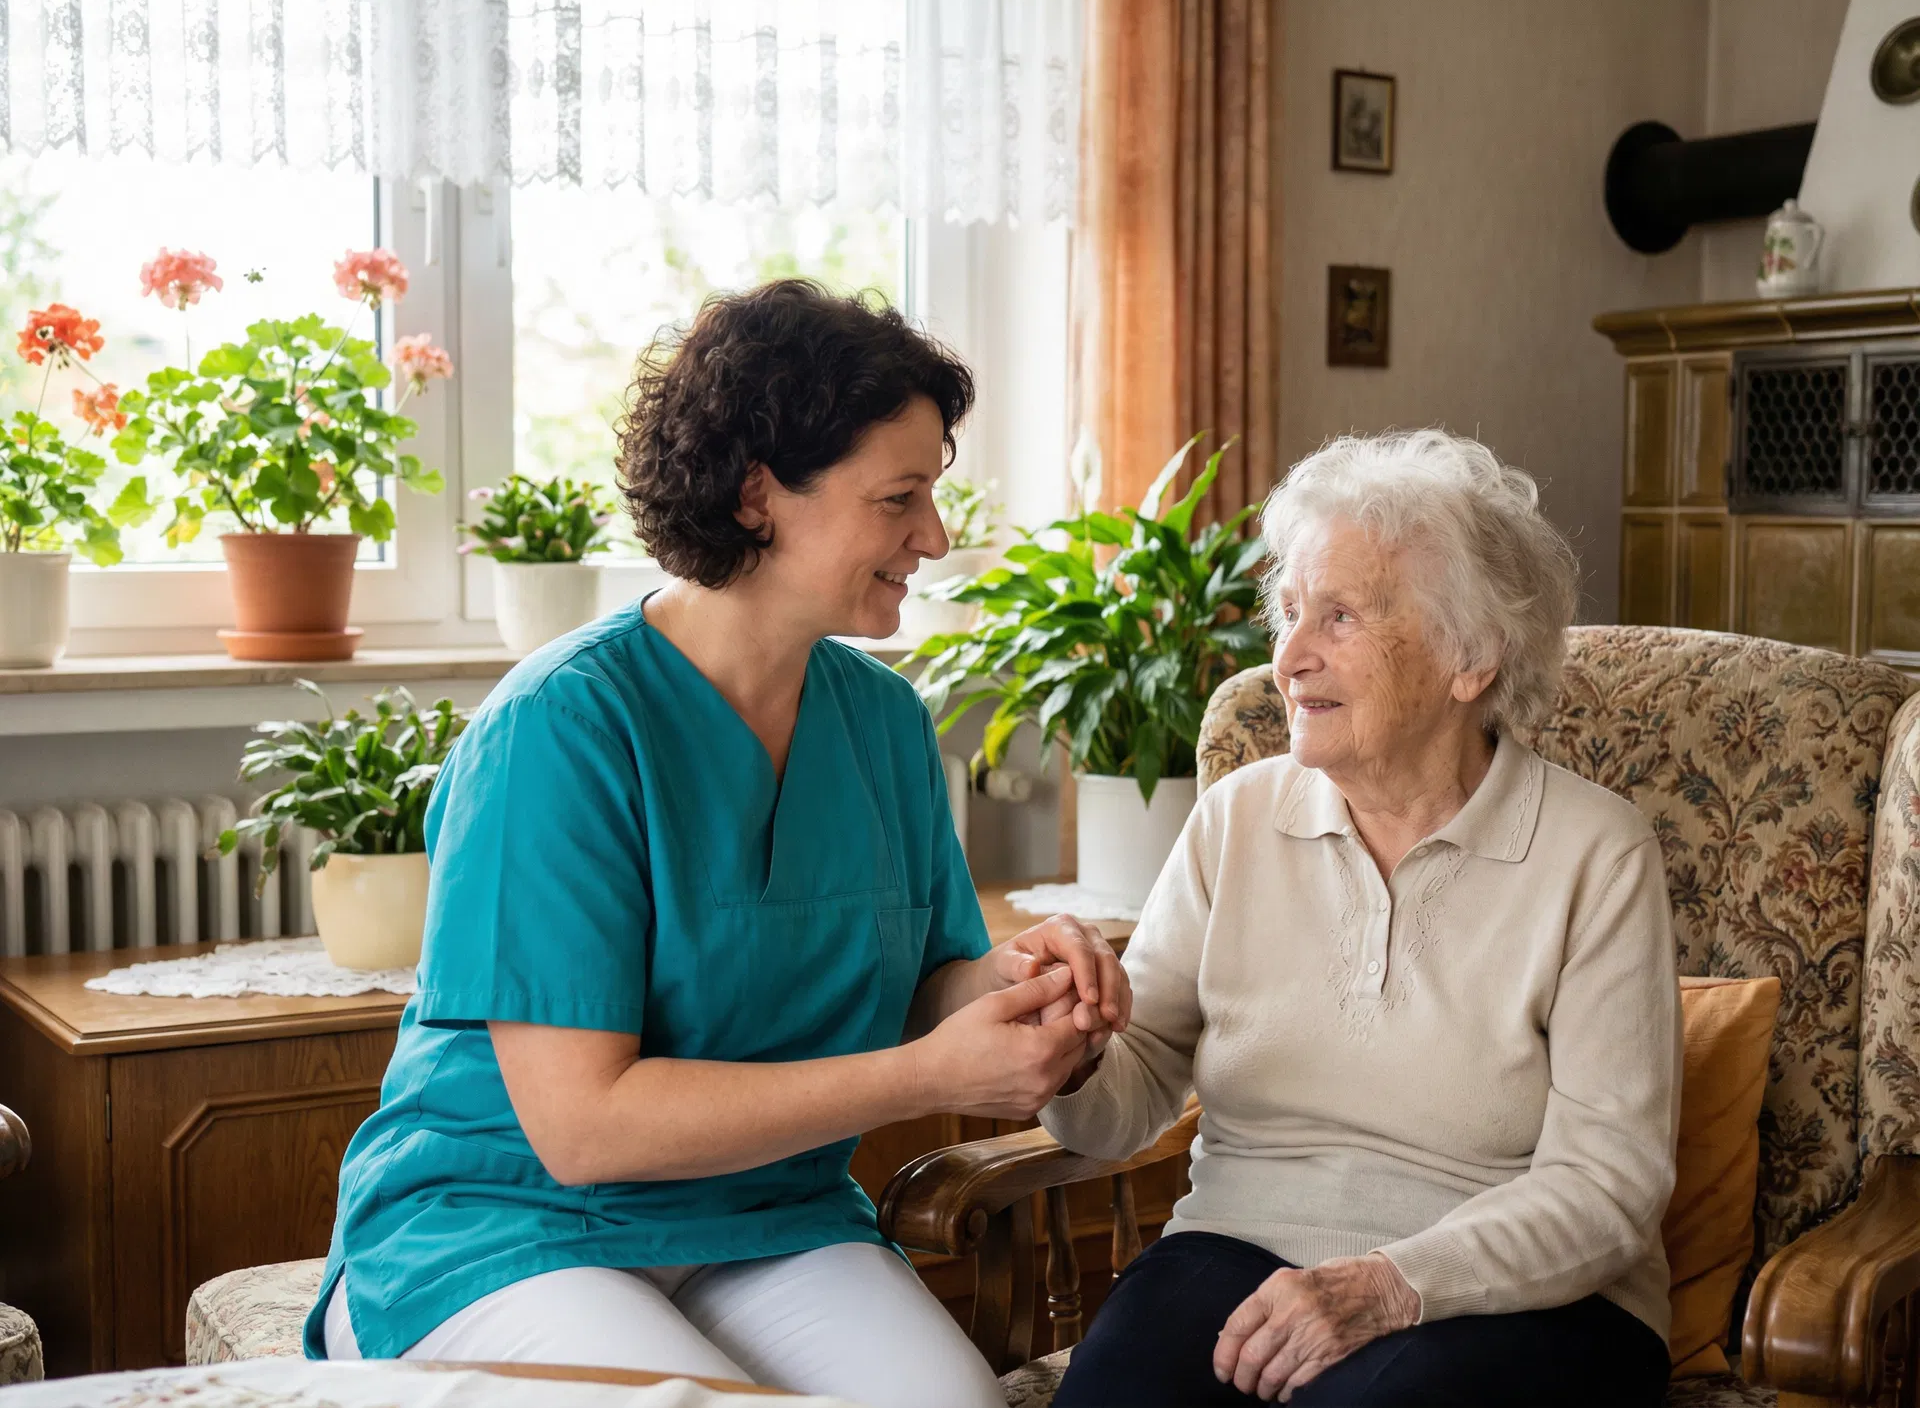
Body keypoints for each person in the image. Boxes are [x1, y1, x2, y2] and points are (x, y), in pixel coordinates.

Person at [305, 280, 1131, 1408]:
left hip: (763, 1210)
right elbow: (583, 1129)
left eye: (932, 496)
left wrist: (1021, 983)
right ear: (756, 495)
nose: (933, 538)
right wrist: (926, 1077)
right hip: (509, 1219)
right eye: (899, 499)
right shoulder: (560, 728)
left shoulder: (884, 721)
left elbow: (927, 982)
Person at [1041, 429, 1682, 1407]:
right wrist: (1075, 1050)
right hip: (1238, 1246)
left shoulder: (1597, 853)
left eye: (1338, 617)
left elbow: (1609, 1187)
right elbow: (1126, 1101)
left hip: (1524, 1294)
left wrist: (1389, 1285)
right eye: (1290, 612)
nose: (1288, 658)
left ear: (1471, 658)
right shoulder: (1236, 819)